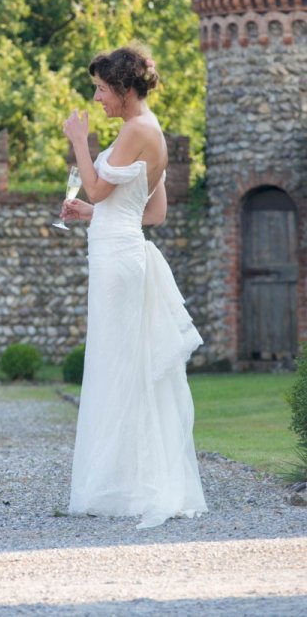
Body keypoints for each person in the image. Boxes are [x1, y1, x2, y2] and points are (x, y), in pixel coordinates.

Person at [61, 46, 207, 528]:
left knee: (118, 366)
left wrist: (79, 142)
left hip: (119, 262)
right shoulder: (150, 130)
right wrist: (88, 213)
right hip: (120, 251)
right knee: (121, 364)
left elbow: (99, 188)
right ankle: (126, 479)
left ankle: (126, 485)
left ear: (124, 90)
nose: (97, 97)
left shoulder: (136, 130)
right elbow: (151, 211)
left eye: (102, 88)